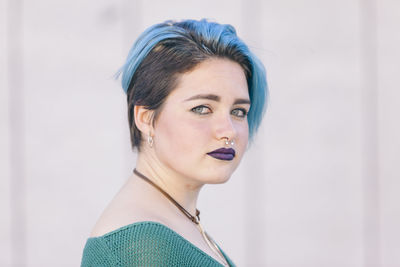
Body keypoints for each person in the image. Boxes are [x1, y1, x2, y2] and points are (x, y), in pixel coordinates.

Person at [80, 19, 268, 267]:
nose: (228, 131)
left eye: (239, 111)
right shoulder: (139, 247)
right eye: (202, 108)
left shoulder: (175, 222)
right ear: (146, 118)